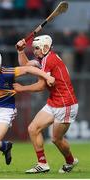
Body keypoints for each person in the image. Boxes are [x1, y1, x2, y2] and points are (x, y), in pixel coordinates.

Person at [14, 35, 79, 173]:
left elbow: (41, 86)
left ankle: (70, 161)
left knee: (56, 139)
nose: (35, 51)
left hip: (65, 104)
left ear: (46, 48)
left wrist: (22, 88)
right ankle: (42, 163)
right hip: (54, 101)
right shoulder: (42, 58)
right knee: (33, 129)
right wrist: (21, 51)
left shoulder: (49, 60)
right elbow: (26, 66)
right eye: (34, 48)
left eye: (37, 48)